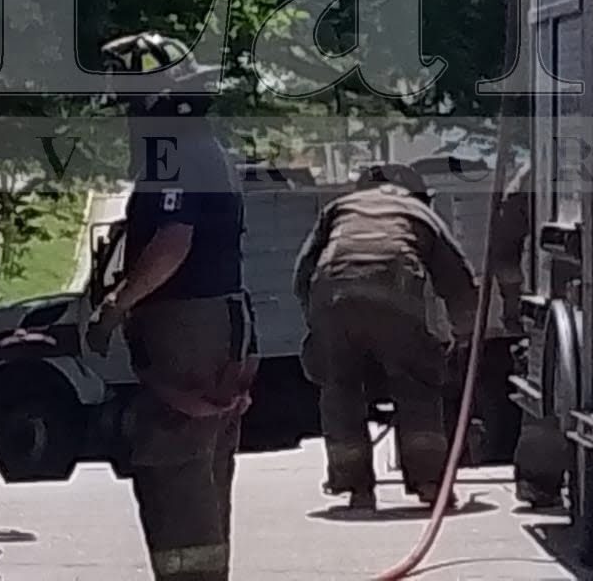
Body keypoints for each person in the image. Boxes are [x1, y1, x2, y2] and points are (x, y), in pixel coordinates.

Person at [85, 33, 255, 581]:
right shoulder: (202, 146)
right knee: (201, 470)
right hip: (214, 324)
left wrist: (115, 307)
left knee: (174, 466)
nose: (126, 120)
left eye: (129, 104)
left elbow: (172, 242)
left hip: (189, 329)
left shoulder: (173, 151)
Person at [293, 161, 479, 512]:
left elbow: (303, 272)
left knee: (340, 389)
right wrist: (464, 334)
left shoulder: (340, 207)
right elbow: (457, 278)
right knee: (417, 384)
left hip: (333, 294)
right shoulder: (419, 212)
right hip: (393, 290)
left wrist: (319, 327)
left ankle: (356, 487)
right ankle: (428, 482)